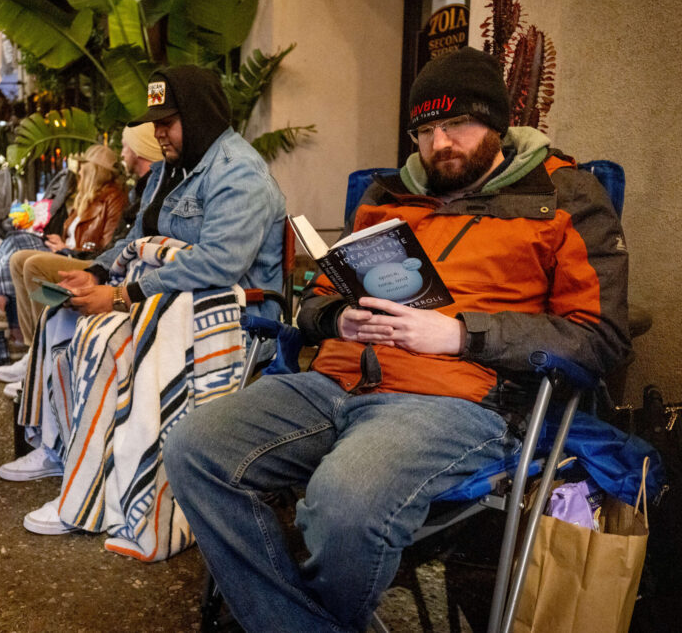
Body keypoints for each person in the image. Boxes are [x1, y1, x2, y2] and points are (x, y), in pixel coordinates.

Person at [161, 47, 631, 631]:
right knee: (193, 447)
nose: (440, 145)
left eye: (457, 125)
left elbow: (602, 338)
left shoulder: (565, 197)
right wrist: (337, 319)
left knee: (344, 505)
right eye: (426, 131)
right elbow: (316, 300)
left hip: (453, 399)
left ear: (498, 124)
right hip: (333, 380)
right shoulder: (387, 195)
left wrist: (461, 335)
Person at [0, 65, 287, 547]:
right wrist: (96, 272)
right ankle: (62, 451)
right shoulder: (175, 168)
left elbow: (218, 265)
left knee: (104, 338)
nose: (158, 133)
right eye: (155, 123)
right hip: (176, 304)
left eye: (167, 122)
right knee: (63, 314)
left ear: (198, 117)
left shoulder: (239, 174)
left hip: (234, 326)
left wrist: (120, 295)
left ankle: (88, 499)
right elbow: (137, 241)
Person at [0, 123, 162, 392]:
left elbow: (112, 245)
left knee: (33, 264)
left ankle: (44, 357)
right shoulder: (95, 196)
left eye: (125, 146)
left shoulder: (117, 197)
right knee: (19, 257)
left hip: (96, 260)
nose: (79, 169)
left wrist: (71, 252)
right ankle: (35, 350)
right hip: (93, 258)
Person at [0, 144, 127, 363]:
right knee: (16, 251)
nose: (79, 173)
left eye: (83, 168)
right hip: (66, 252)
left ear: (94, 171)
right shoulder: (84, 200)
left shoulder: (113, 199)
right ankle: (29, 348)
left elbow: (107, 248)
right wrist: (63, 242)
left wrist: (68, 249)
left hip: (83, 260)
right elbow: (77, 236)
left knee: (17, 245)